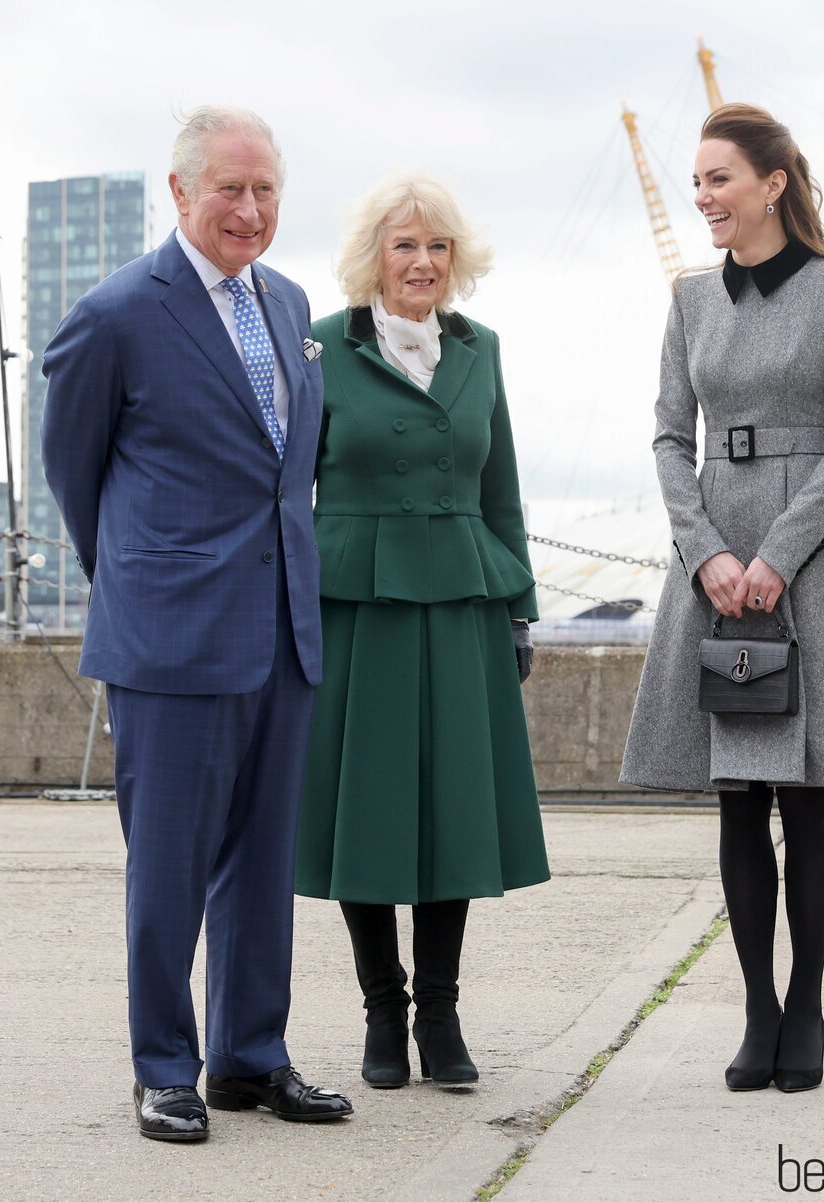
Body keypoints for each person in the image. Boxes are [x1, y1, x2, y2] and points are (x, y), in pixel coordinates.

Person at [41, 106, 353, 1141]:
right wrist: (142, 583)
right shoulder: (117, 313)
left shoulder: (291, 303)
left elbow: (287, 474)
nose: (250, 208)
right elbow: (73, 475)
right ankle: (164, 1067)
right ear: (179, 191)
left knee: (263, 862)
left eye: (265, 189)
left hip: (282, 634)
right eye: (230, 187)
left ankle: (249, 1058)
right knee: (167, 867)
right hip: (170, 641)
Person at [620, 104, 824, 1094]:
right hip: (712, 554)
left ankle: (807, 1008)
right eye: (696, 182)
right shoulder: (687, 299)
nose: (701, 197)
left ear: (771, 183)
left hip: (810, 550)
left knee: (803, 789)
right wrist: (706, 550)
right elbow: (670, 436)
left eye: (717, 179)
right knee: (736, 792)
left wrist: (780, 552)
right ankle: (755, 1007)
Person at [294, 173, 550, 1090]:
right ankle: (380, 1011)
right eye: (405, 245)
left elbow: (501, 489)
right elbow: (286, 492)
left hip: (462, 605)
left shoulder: (482, 351)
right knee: (368, 807)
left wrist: (520, 608)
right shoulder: (318, 348)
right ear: (374, 258)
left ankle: (439, 1014)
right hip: (354, 607)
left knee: (452, 810)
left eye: (437, 246)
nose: (423, 262)